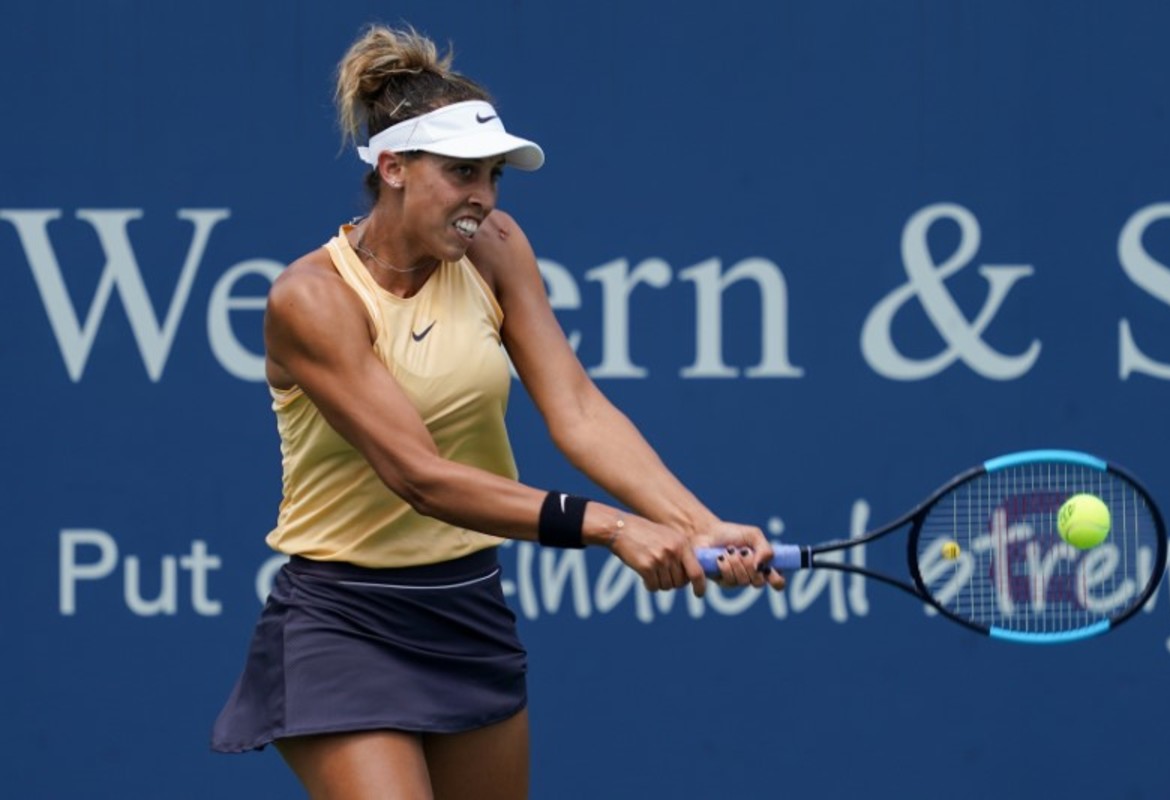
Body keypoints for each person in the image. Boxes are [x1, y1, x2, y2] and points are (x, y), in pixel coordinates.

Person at [211, 22, 784, 800]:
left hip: (466, 608)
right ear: (393, 168)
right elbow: (421, 477)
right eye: (461, 173)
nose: (482, 197)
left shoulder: (496, 247)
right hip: (342, 620)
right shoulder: (312, 299)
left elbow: (577, 408)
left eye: (493, 175)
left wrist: (696, 523)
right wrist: (614, 527)